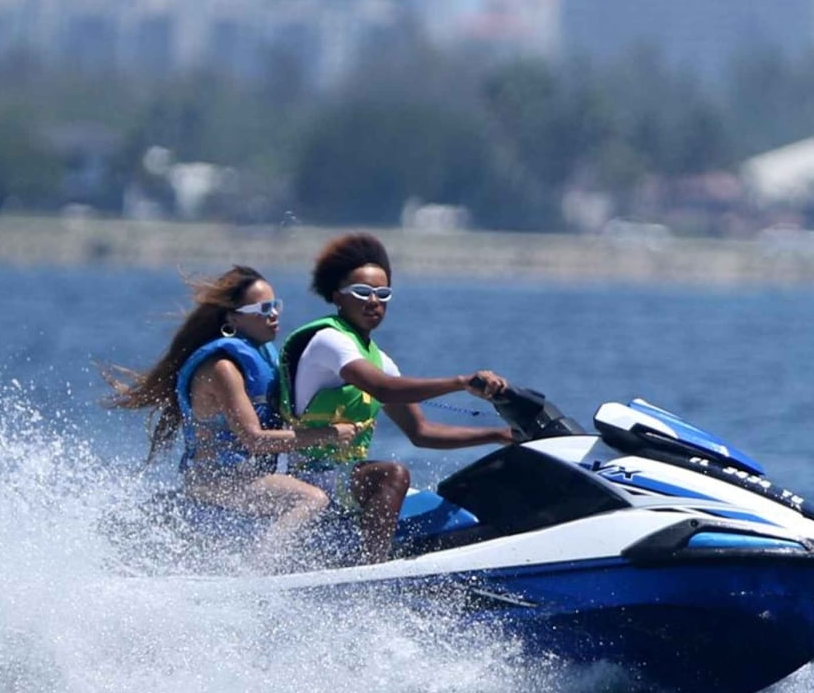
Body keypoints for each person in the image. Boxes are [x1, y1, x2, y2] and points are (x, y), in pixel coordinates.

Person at [279, 232, 512, 563]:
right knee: (392, 475)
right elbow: (384, 389)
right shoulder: (328, 340)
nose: (374, 301)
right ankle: (368, 574)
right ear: (338, 297)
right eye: (362, 292)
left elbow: (422, 433)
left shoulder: (381, 360)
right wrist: (460, 382)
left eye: (383, 293)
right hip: (304, 478)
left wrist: (499, 435)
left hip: (340, 481)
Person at [103, 265, 356, 558]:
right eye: (263, 309)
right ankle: (256, 569)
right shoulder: (223, 369)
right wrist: (329, 434)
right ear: (233, 318)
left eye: (275, 305)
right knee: (311, 499)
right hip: (218, 481)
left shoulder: (262, 357)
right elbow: (254, 440)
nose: (273, 314)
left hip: (249, 475)